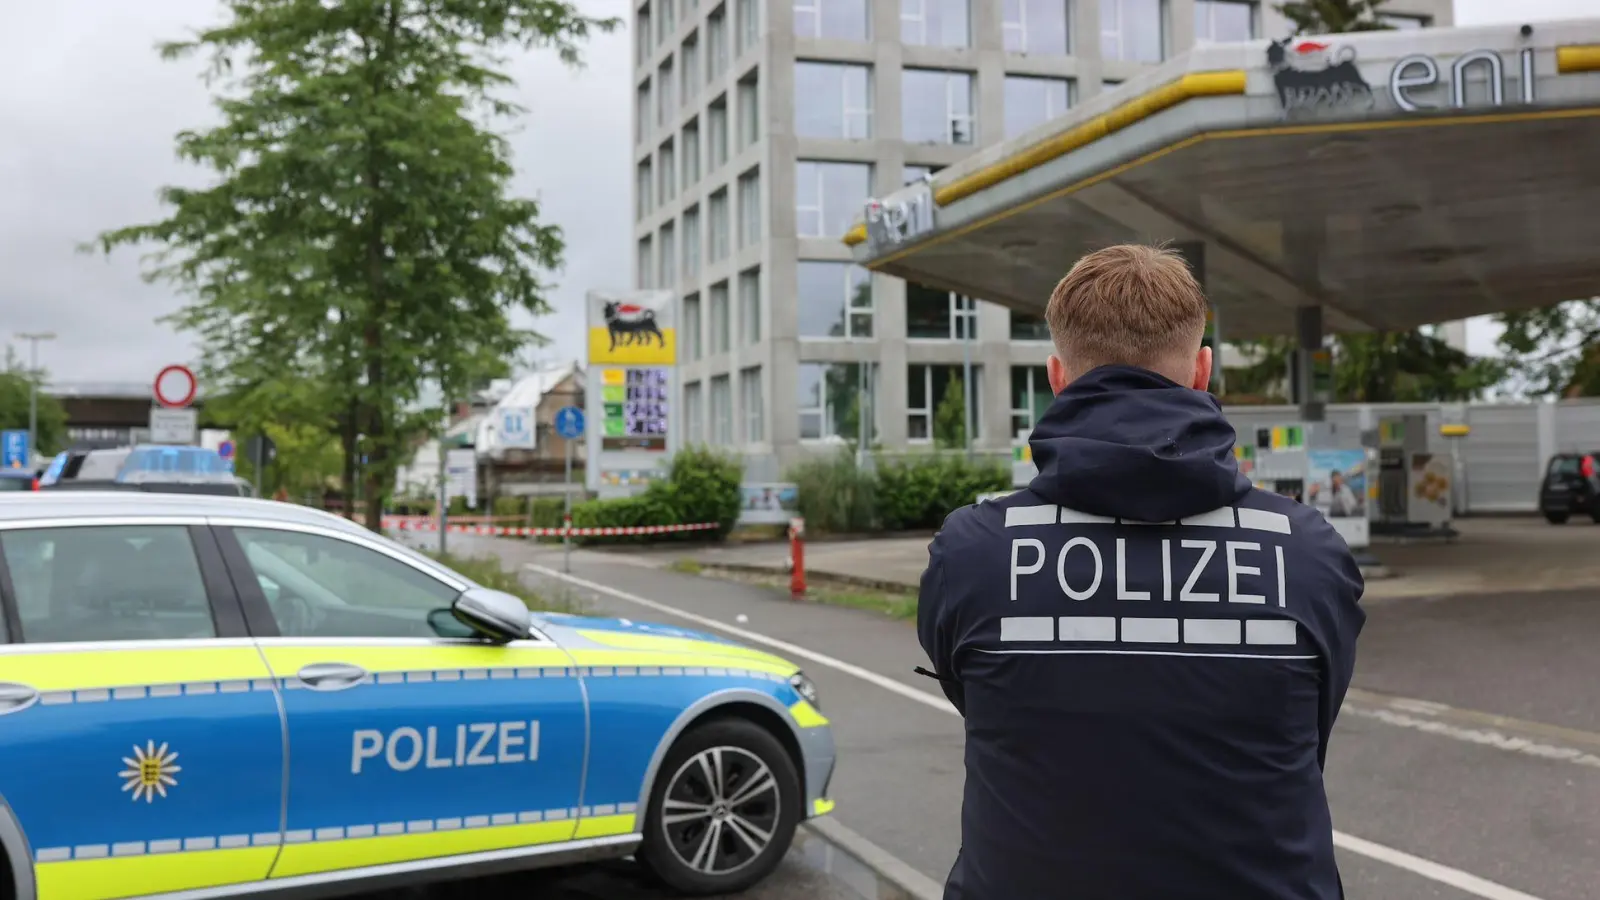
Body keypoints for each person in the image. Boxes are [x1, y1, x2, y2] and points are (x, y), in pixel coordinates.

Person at [916, 244, 1365, 900]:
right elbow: (1311, 725)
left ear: (1057, 377)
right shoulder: (1306, 554)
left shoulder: (972, 553)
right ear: (1202, 371)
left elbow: (978, 697)